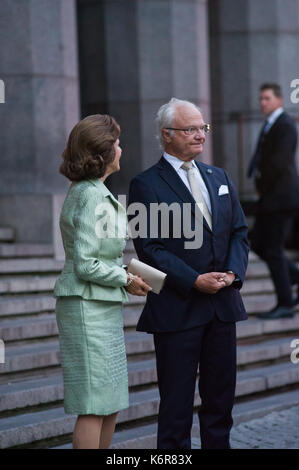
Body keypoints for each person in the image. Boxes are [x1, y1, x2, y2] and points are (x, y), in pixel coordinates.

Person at [128, 98, 249, 449]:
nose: (200, 135)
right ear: (167, 135)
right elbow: (150, 248)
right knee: (176, 410)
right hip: (177, 310)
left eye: (203, 128)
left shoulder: (220, 176)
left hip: (222, 307)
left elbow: (239, 232)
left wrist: (232, 273)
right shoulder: (145, 184)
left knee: (220, 405)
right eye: (191, 129)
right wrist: (194, 280)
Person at [54, 114, 151, 449]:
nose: (122, 149)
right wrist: (125, 279)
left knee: (109, 403)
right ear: (104, 151)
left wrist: (126, 273)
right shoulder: (90, 195)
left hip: (99, 306)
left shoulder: (94, 191)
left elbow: (99, 256)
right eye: (118, 143)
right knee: (94, 405)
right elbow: (85, 263)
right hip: (86, 308)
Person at [247, 83, 299, 319]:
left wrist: (261, 184)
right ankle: (295, 276)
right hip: (271, 198)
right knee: (258, 242)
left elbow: (279, 163)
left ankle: (286, 304)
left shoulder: (285, 125)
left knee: (273, 249)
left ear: (279, 100)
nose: (262, 103)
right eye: (261, 99)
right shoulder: (271, 124)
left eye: (267, 98)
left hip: (280, 198)